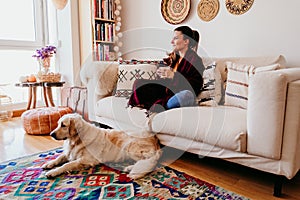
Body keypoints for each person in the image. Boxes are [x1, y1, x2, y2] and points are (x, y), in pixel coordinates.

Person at [128, 26, 205, 113]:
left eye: (175, 38)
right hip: (167, 90)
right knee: (139, 83)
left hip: (179, 92)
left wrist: (173, 76)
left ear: (186, 41)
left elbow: (196, 85)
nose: (172, 42)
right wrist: (162, 74)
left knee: (186, 95)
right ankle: (164, 104)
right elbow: (166, 81)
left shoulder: (195, 60)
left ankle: (166, 105)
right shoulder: (174, 58)